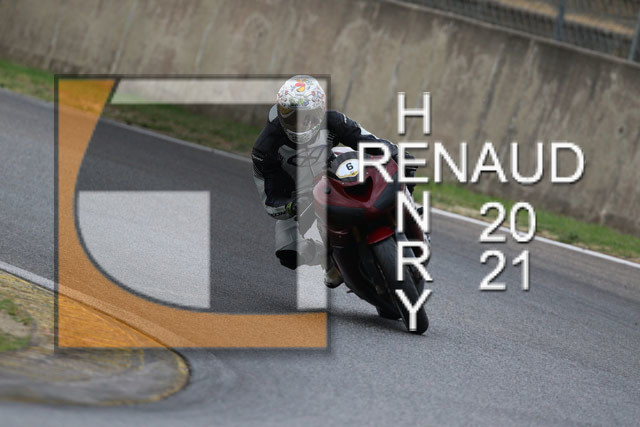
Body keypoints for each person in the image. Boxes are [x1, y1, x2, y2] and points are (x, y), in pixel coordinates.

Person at [251, 75, 414, 288]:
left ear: (321, 110)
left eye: (308, 116)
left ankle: (409, 212)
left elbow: (368, 140)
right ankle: (328, 258)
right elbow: (269, 199)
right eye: (292, 117)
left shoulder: (334, 120)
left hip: (336, 173)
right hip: (299, 197)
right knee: (287, 251)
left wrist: (395, 153)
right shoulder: (264, 148)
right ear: (280, 113)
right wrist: (291, 205)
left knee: (402, 166)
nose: (301, 124)